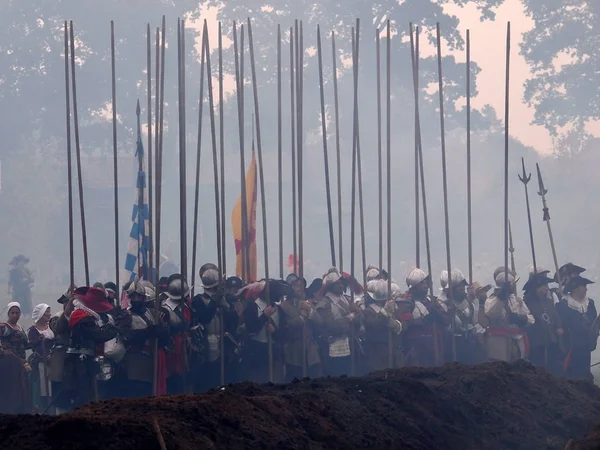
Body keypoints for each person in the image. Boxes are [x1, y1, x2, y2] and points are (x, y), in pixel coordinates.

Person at [63, 286, 119, 409]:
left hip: (86, 360)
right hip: (78, 361)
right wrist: (113, 330)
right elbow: (97, 335)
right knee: (83, 394)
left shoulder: (90, 316)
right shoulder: (81, 317)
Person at [121, 278, 168, 397]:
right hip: (135, 360)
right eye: (134, 297)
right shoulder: (125, 315)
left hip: (152, 358)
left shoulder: (152, 313)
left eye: (139, 297)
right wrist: (148, 331)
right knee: (138, 392)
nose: (136, 299)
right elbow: (127, 336)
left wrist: (161, 332)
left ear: (143, 298)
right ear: (130, 298)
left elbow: (165, 334)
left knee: (151, 392)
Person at [315, 267, 361, 377]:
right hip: (332, 343)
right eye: (337, 284)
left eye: (341, 283)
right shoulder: (324, 303)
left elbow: (358, 319)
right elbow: (330, 325)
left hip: (348, 342)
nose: (341, 286)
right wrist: (350, 317)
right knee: (334, 374)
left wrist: (357, 314)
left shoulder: (347, 299)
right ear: (331, 286)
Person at [279, 274, 324, 380]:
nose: (300, 288)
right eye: (297, 285)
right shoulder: (283, 306)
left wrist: (310, 311)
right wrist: (300, 318)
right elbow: (284, 328)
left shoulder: (308, 304)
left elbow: (320, 322)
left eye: (302, 285)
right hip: (294, 351)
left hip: (311, 351)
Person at [438, 269, 485, 364]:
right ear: (450, 290)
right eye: (459, 287)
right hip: (453, 346)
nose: (462, 288)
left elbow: (475, 322)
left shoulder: (469, 303)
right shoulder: (442, 305)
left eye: (463, 285)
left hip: (470, 345)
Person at [485, 271, 534, 362]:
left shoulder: (517, 299)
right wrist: (501, 298)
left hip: (517, 341)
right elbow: (491, 312)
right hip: (499, 342)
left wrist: (522, 318)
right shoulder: (491, 299)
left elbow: (531, 319)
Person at [556, 275, 599, 379]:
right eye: (584, 286)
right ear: (576, 288)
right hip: (571, 346)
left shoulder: (590, 303)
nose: (586, 289)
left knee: (585, 371)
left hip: (586, 344)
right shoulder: (563, 305)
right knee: (574, 374)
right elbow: (560, 325)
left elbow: (594, 323)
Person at [400, 268, 445, 367]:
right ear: (414, 286)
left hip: (434, 345)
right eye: (422, 283)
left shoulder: (432, 300)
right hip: (416, 347)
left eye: (426, 282)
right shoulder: (407, 302)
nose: (425, 285)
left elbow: (445, 319)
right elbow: (406, 323)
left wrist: (437, 313)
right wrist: (424, 320)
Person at [522, 271, 563, 376]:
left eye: (546, 285)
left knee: (554, 367)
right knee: (538, 367)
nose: (547, 288)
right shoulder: (527, 302)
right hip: (536, 341)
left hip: (551, 339)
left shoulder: (548, 301)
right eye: (544, 285)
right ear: (537, 287)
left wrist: (558, 327)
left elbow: (555, 316)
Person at [362, 279, 402, 372]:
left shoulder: (391, 307)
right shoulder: (367, 311)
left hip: (391, 348)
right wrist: (384, 312)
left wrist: (396, 325)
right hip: (376, 350)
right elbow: (373, 325)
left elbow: (401, 323)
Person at [0, 302, 31, 413]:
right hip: (9, 364)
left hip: (21, 362)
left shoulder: (20, 328)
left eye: (17, 312)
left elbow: (26, 345)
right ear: (8, 314)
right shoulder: (3, 327)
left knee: (22, 389)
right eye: (12, 312)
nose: (15, 315)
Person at [28, 303, 54, 412]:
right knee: (41, 389)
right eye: (46, 312)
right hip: (40, 364)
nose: (49, 314)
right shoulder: (33, 330)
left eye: (49, 311)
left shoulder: (51, 327)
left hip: (53, 363)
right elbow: (34, 345)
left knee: (52, 388)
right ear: (41, 314)